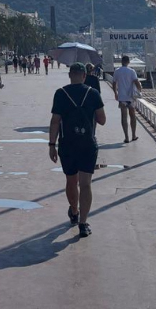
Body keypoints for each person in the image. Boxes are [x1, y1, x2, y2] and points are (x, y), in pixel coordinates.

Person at [49, 63, 106, 238]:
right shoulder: (93, 93)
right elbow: (102, 120)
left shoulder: (60, 93)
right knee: (86, 184)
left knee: (71, 181)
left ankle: (74, 211)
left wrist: (52, 145)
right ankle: (83, 223)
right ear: (84, 76)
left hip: (67, 144)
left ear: (69, 75)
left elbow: (55, 121)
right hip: (87, 144)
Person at [110, 55, 143, 143]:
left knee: (124, 116)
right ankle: (134, 135)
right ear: (128, 62)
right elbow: (136, 82)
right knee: (133, 116)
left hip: (122, 97)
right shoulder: (132, 71)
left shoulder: (117, 71)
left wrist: (115, 93)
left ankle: (126, 137)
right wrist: (140, 91)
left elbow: (114, 83)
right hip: (131, 97)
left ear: (121, 62)